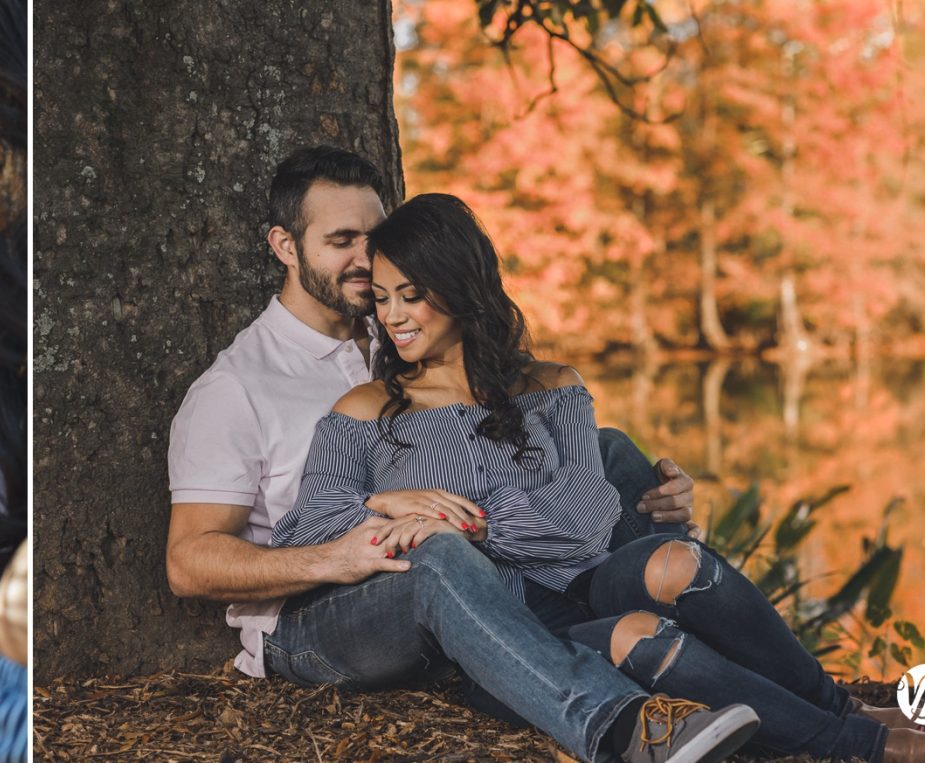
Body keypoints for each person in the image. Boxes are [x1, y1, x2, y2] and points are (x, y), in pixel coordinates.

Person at [270, 193, 925, 763]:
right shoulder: (369, 408)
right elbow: (307, 533)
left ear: (461, 289)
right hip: (488, 635)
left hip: (568, 593)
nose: (392, 316)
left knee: (677, 559)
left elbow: (585, 516)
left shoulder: (551, 387)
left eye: (411, 295)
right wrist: (380, 501)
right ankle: (869, 744)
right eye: (384, 297)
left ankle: (837, 705)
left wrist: (479, 521)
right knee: (640, 633)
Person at [165, 146, 759, 763]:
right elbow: (188, 563)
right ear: (286, 247)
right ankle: (624, 729)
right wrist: (338, 554)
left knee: (610, 452)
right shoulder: (238, 387)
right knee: (436, 551)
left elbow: (526, 440)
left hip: (474, 574)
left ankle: (789, 694)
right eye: (342, 240)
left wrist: (658, 501)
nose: (366, 260)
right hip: (329, 609)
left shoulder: (403, 327)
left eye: (374, 237)